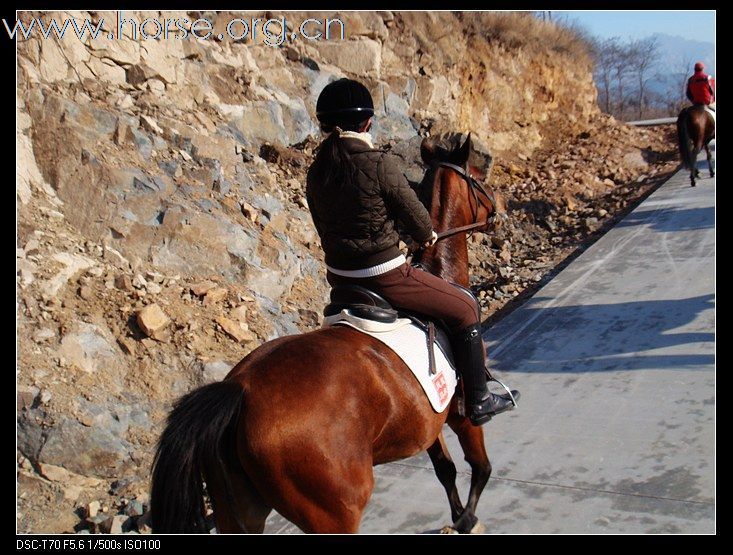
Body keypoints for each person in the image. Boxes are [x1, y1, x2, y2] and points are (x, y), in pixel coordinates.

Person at [305, 78, 519, 426]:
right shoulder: (377, 163)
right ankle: (479, 401)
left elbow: (324, 226)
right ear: (367, 123)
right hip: (386, 278)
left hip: (341, 281)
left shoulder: (317, 171)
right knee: (465, 306)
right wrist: (427, 236)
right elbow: (420, 222)